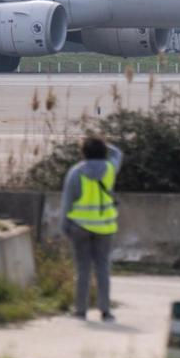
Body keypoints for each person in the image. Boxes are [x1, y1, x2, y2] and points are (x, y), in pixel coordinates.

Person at [61, 135, 123, 321]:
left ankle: (80, 310)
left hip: (79, 226)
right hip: (105, 227)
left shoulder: (76, 172)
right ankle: (105, 310)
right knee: (103, 268)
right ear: (104, 152)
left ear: (83, 152)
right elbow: (118, 152)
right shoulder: (111, 168)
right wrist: (105, 144)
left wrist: (65, 226)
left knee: (83, 269)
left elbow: (67, 202)